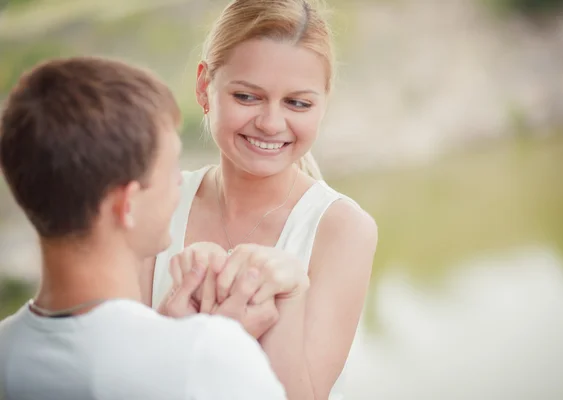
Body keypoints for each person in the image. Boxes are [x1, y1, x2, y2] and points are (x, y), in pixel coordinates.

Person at [0, 56, 286, 400]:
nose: (180, 180)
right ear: (127, 204)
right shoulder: (208, 356)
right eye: (169, 169)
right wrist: (217, 351)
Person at [143, 0, 379, 399]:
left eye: (298, 103)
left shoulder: (344, 230)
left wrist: (290, 298)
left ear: (324, 102)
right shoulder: (156, 201)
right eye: (248, 97)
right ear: (204, 87)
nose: (271, 123)